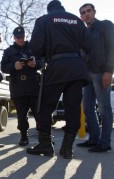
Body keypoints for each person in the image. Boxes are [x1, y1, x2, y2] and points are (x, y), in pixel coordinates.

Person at [26, 0, 93, 159]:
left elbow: (36, 48)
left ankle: (45, 145)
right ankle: (67, 148)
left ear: (49, 10)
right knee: (73, 107)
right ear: (62, 8)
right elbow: (89, 46)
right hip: (77, 68)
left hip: (56, 67)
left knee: (45, 106)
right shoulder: (77, 20)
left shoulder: (44, 20)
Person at [76, 3, 114, 152]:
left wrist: (108, 71)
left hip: (101, 72)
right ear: (81, 17)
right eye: (83, 13)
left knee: (104, 108)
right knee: (88, 108)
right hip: (86, 75)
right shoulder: (82, 32)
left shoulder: (105, 25)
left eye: (88, 11)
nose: (86, 14)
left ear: (94, 12)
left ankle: (105, 142)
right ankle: (94, 138)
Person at [1, 27, 41, 146]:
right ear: (14, 37)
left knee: (39, 113)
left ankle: (44, 137)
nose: (20, 39)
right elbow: (3, 67)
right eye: (18, 37)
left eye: (22, 37)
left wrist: (35, 64)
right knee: (21, 114)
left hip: (33, 86)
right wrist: (14, 66)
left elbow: (42, 62)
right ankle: (24, 137)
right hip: (18, 87)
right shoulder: (9, 51)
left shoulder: (33, 48)